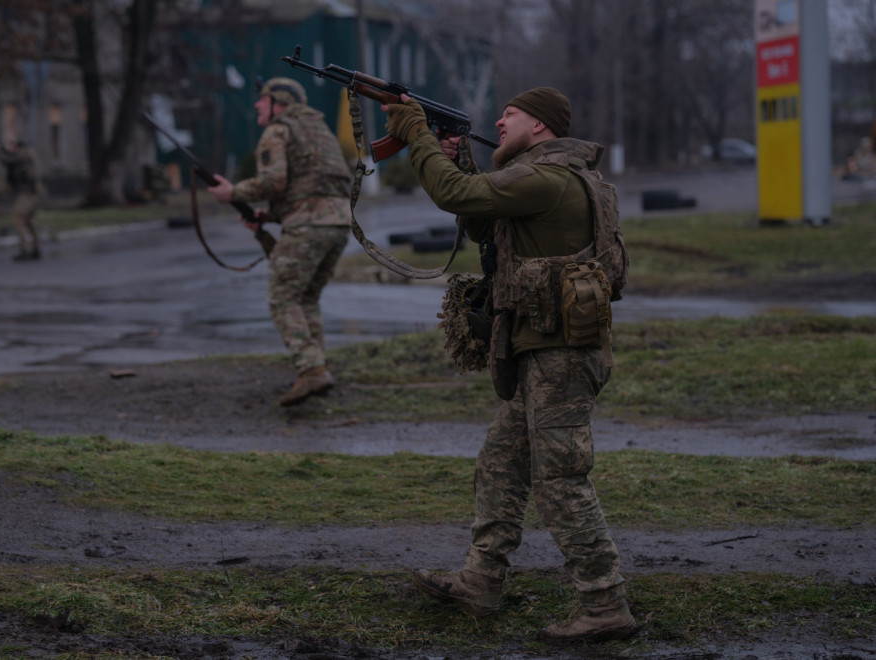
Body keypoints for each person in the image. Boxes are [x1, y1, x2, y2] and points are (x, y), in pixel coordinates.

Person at [381, 88, 637, 642]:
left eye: (511, 114)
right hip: (545, 351)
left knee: (561, 480)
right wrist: (457, 161)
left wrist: (415, 132)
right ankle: (481, 581)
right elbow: (482, 222)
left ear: (539, 126)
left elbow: (453, 195)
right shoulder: (545, 178)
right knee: (500, 462)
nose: (498, 121)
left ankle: (604, 604)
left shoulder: (546, 179)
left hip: (559, 358)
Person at [207, 77, 352, 407]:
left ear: (279, 104)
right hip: (339, 223)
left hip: (309, 224)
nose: (258, 104)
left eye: (263, 99)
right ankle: (317, 367)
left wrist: (233, 193)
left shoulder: (279, 130)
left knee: (283, 298)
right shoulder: (318, 130)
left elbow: (273, 182)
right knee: (306, 297)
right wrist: (269, 217)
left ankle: (311, 369)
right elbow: (314, 185)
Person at [0, 139, 43, 261]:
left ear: (17, 147)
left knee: (17, 218)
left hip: (27, 194)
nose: (11, 149)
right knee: (29, 221)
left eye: (12, 147)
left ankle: (24, 250)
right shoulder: (28, 154)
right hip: (32, 193)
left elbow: (8, 160)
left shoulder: (23, 155)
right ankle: (36, 249)